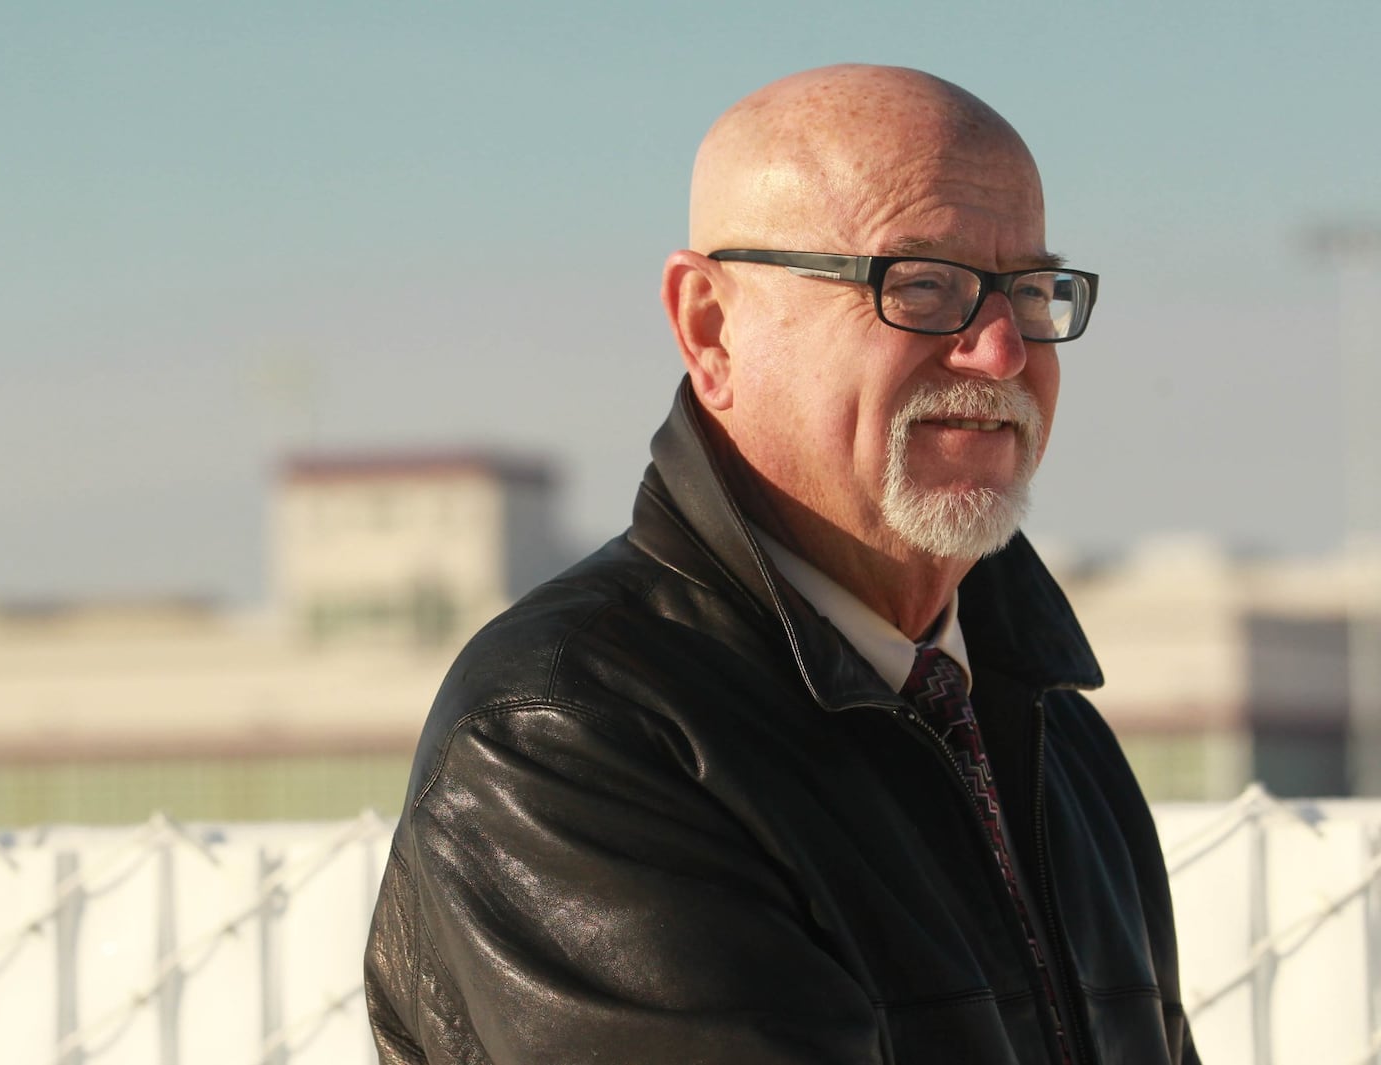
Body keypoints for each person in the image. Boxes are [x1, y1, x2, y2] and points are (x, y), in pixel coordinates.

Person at [365, 64, 1200, 1064]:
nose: (999, 353)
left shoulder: (1052, 731)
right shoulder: (571, 736)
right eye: (920, 286)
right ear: (710, 326)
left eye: (1026, 292)